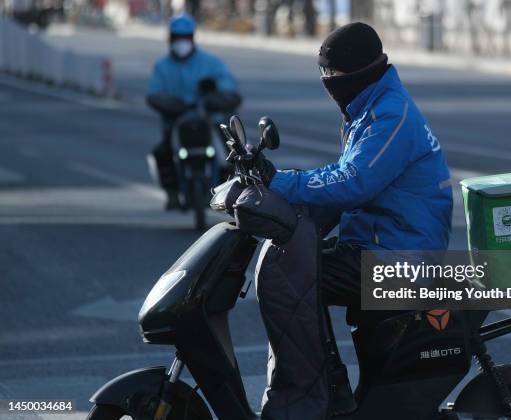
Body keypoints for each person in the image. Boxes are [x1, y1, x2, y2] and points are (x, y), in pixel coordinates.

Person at [257, 22, 453, 416]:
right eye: (324, 76)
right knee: (296, 264)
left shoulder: (390, 114)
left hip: (401, 257)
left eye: (334, 76)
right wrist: (289, 193)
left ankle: (318, 390)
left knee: (292, 276)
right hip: (377, 245)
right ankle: (324, 384)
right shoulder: (367, 106)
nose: (329, 84)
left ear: (360, 72)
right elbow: (345, 175)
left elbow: (354, 182)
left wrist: (281, 183)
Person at [148, 13, 240, 209]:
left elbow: (230, 89)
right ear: (170, 39)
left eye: (185, 37)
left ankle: (232, 193)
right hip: (177, 123)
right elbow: (154, 95)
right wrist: (174, 105)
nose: (181, 42)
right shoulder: (162, 67)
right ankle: (172, 193)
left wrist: (213, 96)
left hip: (208, 121)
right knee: (162, 154)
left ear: (192, 38)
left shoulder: (210, 62)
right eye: (177, 37)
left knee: (233, 155)